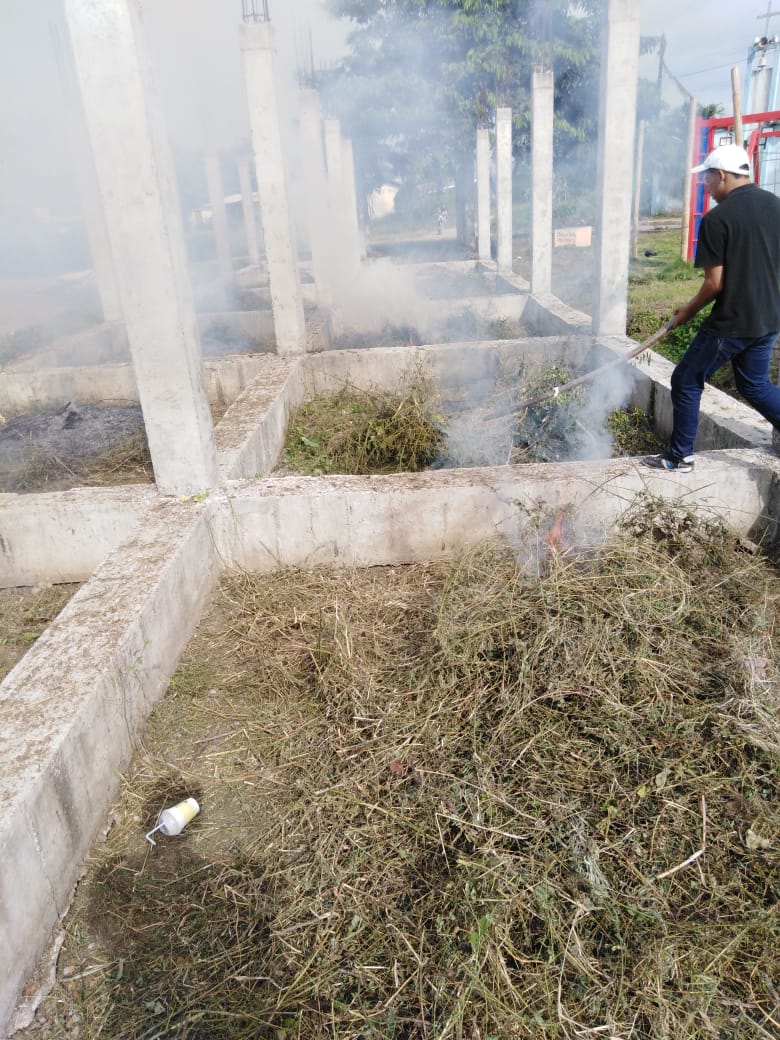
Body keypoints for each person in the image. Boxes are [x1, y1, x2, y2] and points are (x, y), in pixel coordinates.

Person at [642, 143, 780, 472]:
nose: (706, 186)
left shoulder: (717, 219)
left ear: (721, 175)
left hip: (733, 321)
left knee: (686, 379)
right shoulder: (775, 205)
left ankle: (679, 456)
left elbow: (715, 283)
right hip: (770, 316)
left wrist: (686, 311)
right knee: (753, 384)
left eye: (707, 178)